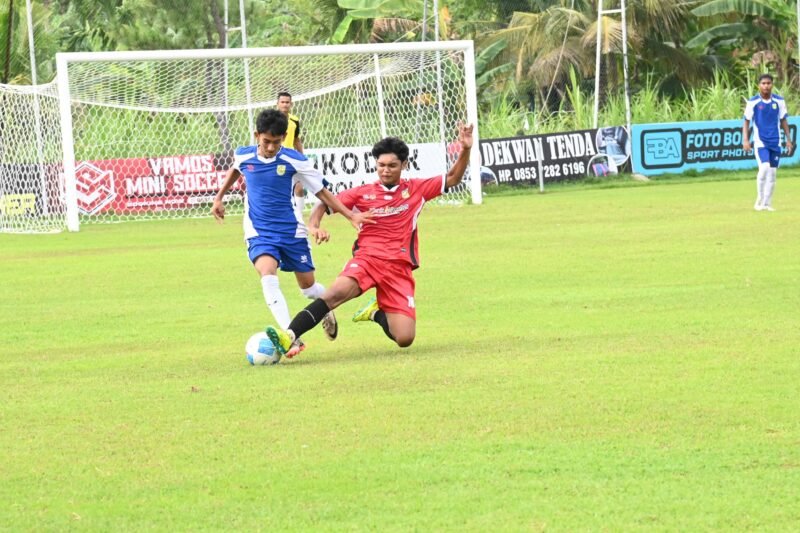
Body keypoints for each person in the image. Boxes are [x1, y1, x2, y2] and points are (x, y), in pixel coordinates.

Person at [265, 122, 474, 358]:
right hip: (367, 261)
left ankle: (375, 312)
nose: (385, 170)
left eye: (392, 166)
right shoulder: (363, 193)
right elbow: (324, 203)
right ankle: (290, 336)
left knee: (405, 338)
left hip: (398, 267)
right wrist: (314, 225)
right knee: (334, 294)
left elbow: (454, 177)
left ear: (404, 165)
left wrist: (465, 148)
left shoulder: (417, 189)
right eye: (381, 165)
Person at [212, 109, 374, 357]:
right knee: (267, 274)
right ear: (257, 135)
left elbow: (322, 192)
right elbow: (235, 169)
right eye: (266, 142)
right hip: (259, 231)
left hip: (291, 232)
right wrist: (219, 197)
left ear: (284, 137)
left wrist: (350, 215)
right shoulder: (244, 155)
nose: (270, 147)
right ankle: (292, 336)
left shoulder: (293, 160)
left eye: (276, 142)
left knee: (308, 288)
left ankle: (324, 307)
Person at [743, 73, 793, 212]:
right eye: (763, 83)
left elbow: (783, 120)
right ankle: (759, 200)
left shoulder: (779, 101)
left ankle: (767, 203)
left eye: (768, 83)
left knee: (772, 174)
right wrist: (746, 140)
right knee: (764, 167)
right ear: (759, 85)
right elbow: (746, 121)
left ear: (772, 85)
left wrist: (788, 140)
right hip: (761, 142)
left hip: (776, 142)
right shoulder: (753, 102)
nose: (766, 86)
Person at [276, 91, 308, 223]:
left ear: (291, 104)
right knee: (279, 190)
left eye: (287, 102)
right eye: (282, 102)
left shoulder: (294, 120)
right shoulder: (272, 119)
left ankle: (299, 217)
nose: (285, 105)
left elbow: (296, 140)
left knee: (299, 187)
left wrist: (302, 157)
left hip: (292, 159)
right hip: (277, 158)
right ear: (277, 104)